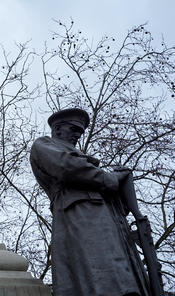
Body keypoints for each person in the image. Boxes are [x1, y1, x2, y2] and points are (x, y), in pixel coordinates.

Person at [30, 108, 150, 296]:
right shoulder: (44, 144)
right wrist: (110, 178)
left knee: (120, 275)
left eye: (81, 131)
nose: (78, 134)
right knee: (103, 277)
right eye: (74, 128)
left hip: (102, 217)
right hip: (81, 214)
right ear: (58, 128)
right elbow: (67, 167)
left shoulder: (84, 163)